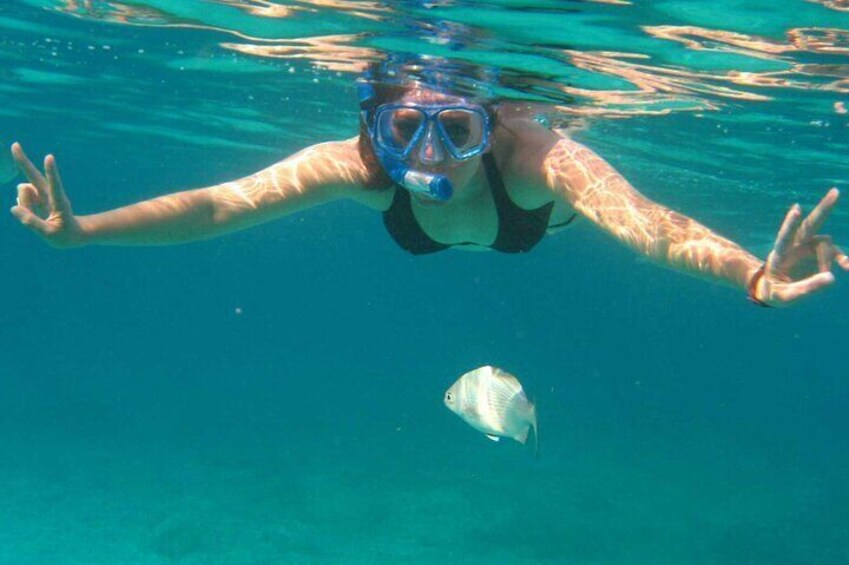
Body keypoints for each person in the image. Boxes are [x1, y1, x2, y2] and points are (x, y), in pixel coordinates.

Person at [8, 65, 847, 308]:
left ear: (491, 124)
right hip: (479, 228)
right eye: (406, 127)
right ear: (375, 126)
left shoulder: (534, 158)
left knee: (585, 204)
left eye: (459, 127)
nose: (435, 153)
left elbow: (649, 227)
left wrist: (750, 273)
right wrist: (88, 231)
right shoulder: (361, 167)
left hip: (533, 225)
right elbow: (225, 204)